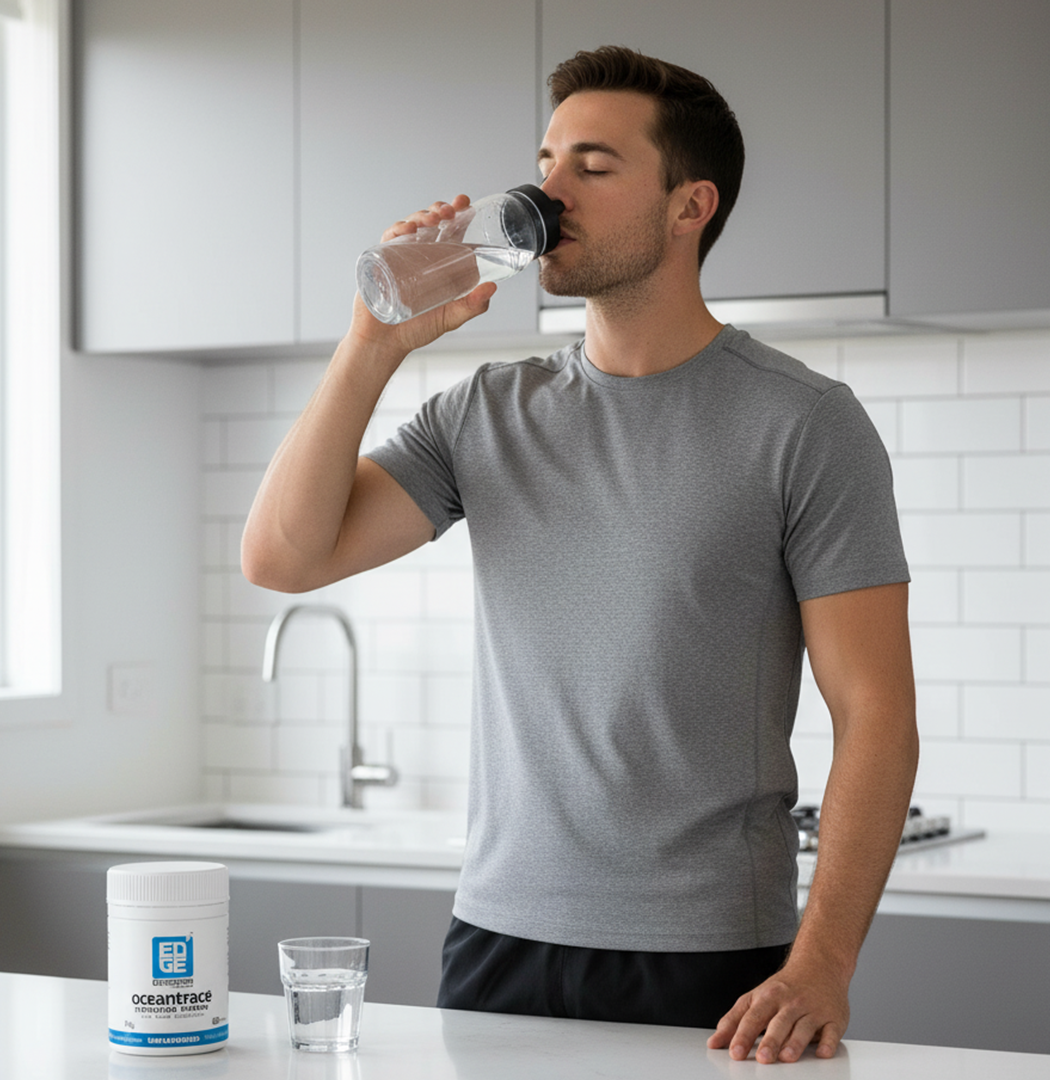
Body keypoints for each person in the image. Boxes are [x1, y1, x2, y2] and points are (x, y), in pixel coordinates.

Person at [243, 46, 918, 1066]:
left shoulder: (805, 425)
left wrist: (822, 965)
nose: (545, 192)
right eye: (547, 160)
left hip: (711, 958)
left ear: (690, 207)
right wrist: (372, 345)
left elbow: (877, 719)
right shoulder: (483, 412)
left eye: (593, 168)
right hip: (496, 942)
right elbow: (282, 558)